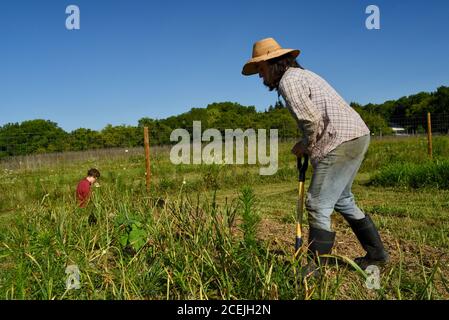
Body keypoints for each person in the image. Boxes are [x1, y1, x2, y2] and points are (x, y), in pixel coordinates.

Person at [241, 38, 389, 272]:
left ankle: (313, 269)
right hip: (356, 135)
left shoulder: (288, 81)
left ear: (273, 63)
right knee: (343, 200)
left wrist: (305, 144)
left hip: (339, 140)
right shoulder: (302, 76)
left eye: (260, 69)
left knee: (317, 203)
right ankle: (377, 254)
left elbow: (310, 120)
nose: (260, 76)